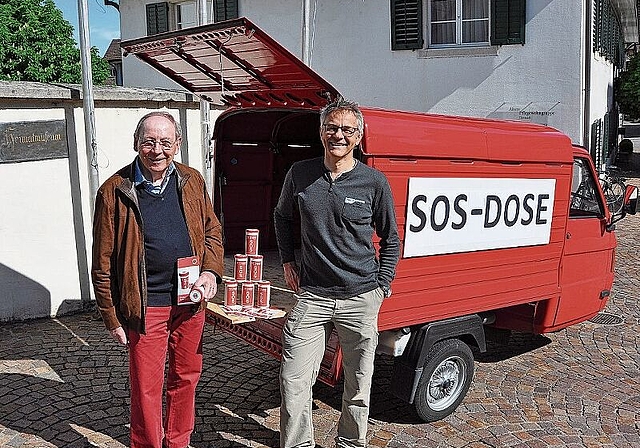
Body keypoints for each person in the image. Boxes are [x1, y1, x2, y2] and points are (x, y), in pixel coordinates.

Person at [91, 111, 224, 448]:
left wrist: (210, 271)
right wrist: (111, 316)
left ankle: (178, 442)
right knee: (146, 386)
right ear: (136, 143)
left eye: (166, 142)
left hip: (190, 299)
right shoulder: (114, 191)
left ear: (177, 145)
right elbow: (102, 261)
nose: (157, 149)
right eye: (149, 141)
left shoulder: (192, 179)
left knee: (186, 377)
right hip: (146, 305)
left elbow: (212, 230)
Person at [274, 97, 400, 448]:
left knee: (358, 383)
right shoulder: (300, 173)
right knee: (293, 378)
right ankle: (298, 444)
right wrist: (287, 261)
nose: (338, 135)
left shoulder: (373, 182)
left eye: (347, 129)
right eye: (332, 127)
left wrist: (382, 285)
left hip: (360, 296)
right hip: (312, 295)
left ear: (359, 136)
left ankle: (350, 443)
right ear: (321, 132)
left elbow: (391, 238)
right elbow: (281, 216)